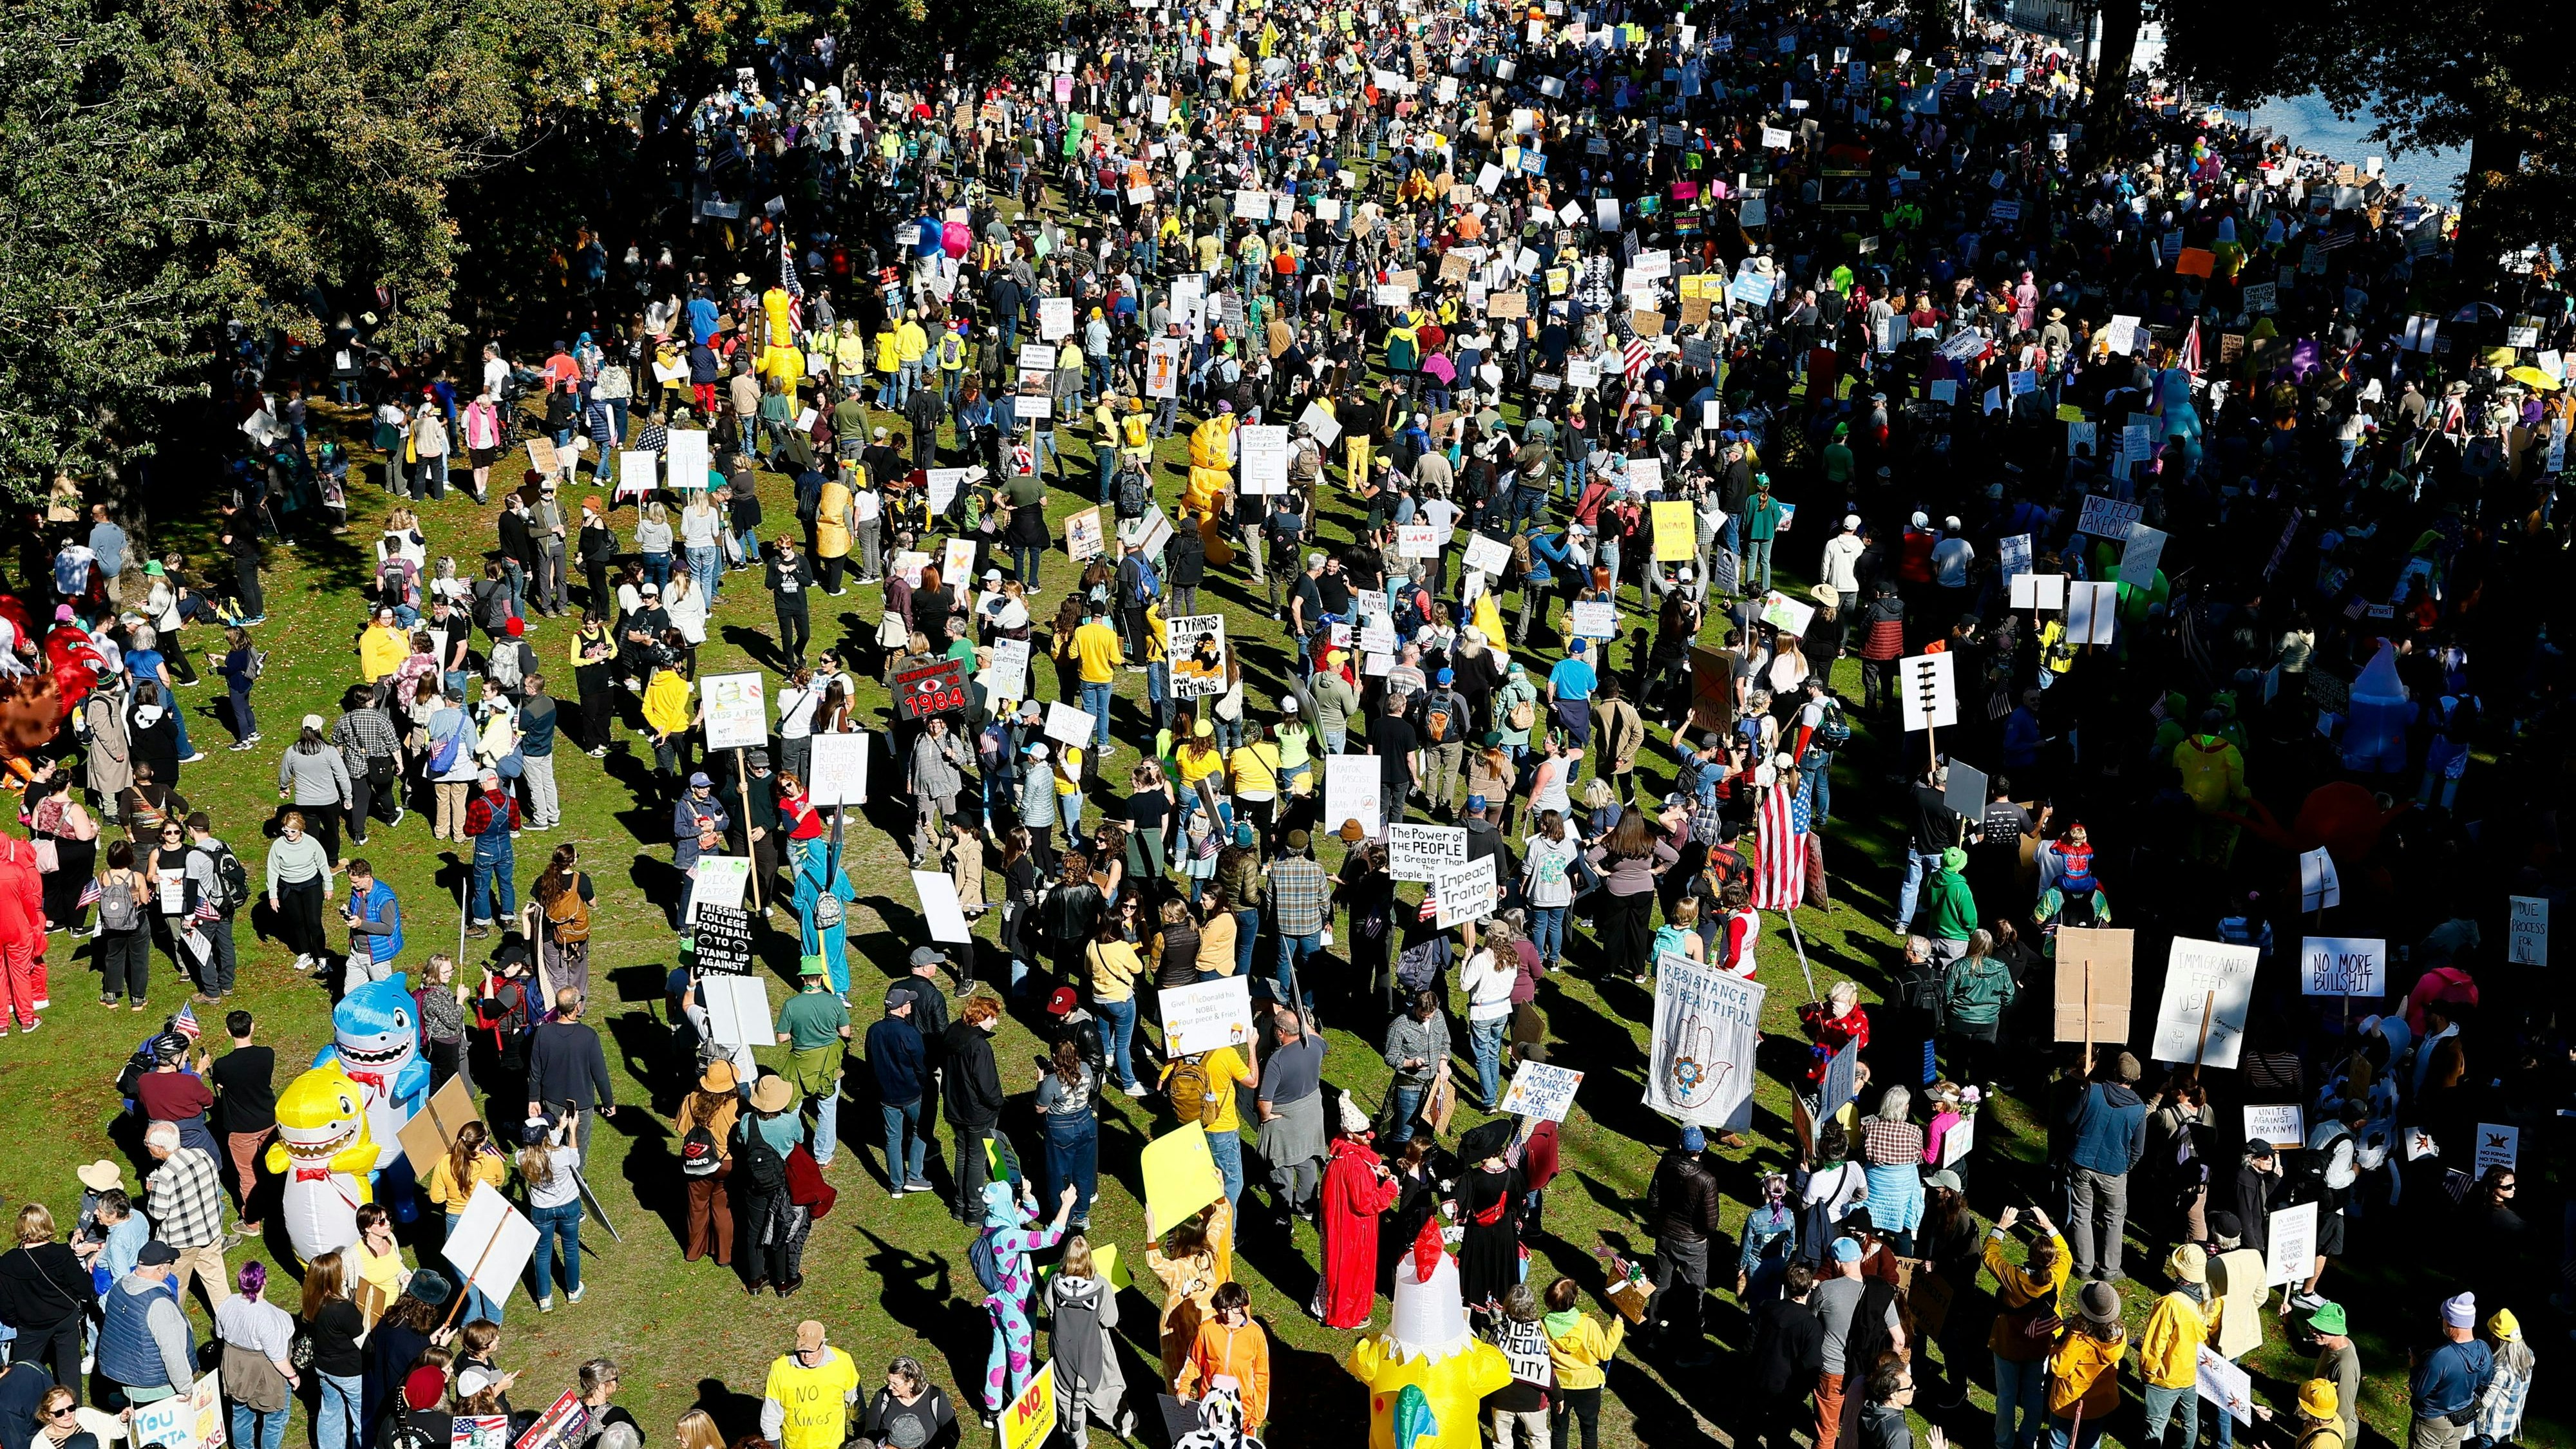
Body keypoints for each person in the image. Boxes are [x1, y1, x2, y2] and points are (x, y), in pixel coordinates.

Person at [969, 1179, 1077, 1426]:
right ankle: (1024, 1414)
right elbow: (1050, 1238)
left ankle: (992, 1409)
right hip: (1015, 1309)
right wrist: (1066, 1206)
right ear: (1007, 1203)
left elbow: (1032, 1213)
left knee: (998, 1354)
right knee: (1020, 1360)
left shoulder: (994, 1223)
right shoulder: (1009, 1236)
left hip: (997, 1304)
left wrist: (1028, 1194)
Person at [2062, 1051, 2147, 1282]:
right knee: (2114, 1218)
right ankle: (2110, 1270)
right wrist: (2126, 1167)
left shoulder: (2093, 1091)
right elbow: (2138, 1149)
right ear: (2136, 1079)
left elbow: (2070, 1119)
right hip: (2115, 1171)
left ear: (2114, 1072)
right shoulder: (2139, 1110)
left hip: (2083, 1162)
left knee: (2082, 1214)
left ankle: (2083, 1266)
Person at [1645, 1124, 1723, 1365]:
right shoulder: (1706, 1180)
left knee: (1660, 1285)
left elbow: (1653, 1198)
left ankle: (1654, 1334)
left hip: (1666, 1236)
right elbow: (1711, 1223)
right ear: (1704, 1148)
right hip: (1693, 1243)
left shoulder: (1666, 1164)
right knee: (1694, 1294)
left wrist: (1661, 1225)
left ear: (1680, 1146)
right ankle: (1690, 1352)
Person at [1046, 1235, 1130, 1446]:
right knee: (1107, 1390)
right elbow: (1110, 1320)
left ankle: (1077, 1439)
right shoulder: (1100, 1286)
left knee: (1066, 1397)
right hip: (1094, 1351)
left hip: (1063, 1353)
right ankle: (1123, 1423)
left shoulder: (1055, 1283)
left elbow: (1050, 1311)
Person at [422, 1119, 507, 1324]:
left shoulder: (444, 1163)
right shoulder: (492, 1162)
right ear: (482, 1142)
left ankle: (471, 1321)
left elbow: (436, 1198)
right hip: (487, 1217)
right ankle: (493, 1320)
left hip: (456, 1220)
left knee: (462, 1275)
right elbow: (499, 1181)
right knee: (489, 1269)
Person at [0, 1205, 88, 1402]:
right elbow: (83, 1288)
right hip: (65, 1319)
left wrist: (17, 1320)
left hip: (31, 1326)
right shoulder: (63, 1253)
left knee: (23, 1374)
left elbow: (5, 1305)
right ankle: (74, 1412)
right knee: (69, 1370)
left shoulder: (8, 1262)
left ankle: (23, 1413)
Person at [2139, 1245, 2222, 1449]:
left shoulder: (2169, 1304)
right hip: (2195, 1373)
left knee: (2155, 1425)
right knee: (2190, 1418)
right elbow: (2214, 1336)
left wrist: (2149, 1373)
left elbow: (2154, 1344)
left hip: (2166, 1377)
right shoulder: (2214, 1297)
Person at [1161, 1034, 1256, 1213]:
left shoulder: (1179, 1053)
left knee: (1204, 1178)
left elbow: (1160, 1085)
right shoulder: (1226, 1054)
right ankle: (1227, 1234)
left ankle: (1203, 1220)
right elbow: (1252, 1081)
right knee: (1232, 1182)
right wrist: (1251, 1046)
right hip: (1222, 1129)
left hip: (1192, 1127)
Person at [140, 1119, 230, 1308]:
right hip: (210, 1231)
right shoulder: (203, 1155)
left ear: (160, 1148)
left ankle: (174, 1324)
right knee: (217, 1283)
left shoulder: (164, 1178)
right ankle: (232, 1327)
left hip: (181, 1244)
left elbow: (157, 1213)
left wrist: (152, 1192)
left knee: (176, 1287)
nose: (146, 1146)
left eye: (147, 1143)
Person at [96, 1241, 196, 1407]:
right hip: (156, 1386)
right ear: (161, 1269)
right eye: (170, 1264)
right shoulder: (159, 1305)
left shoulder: (120, 1285)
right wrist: (185, 1387)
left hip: (127, 1375)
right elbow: (172, 1352)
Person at [214, 1261, 298, 1449]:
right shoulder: (272, 1317)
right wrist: (293, 1376)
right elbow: (278, 1357)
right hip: (265, 1373)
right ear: (264, 1282)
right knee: (275, 1418)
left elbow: (220, 1333)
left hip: (236, 1368)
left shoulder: (227, 1304)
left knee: (241, 1414)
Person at [775, 962, 851, 1169]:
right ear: (821, 978)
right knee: (827, 1109)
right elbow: (845, 1033)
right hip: (829, 1064)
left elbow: (782, 1037)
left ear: (802, 979)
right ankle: (823, 1156)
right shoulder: (834, 1002)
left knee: (791, 1108)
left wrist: (797, 1033)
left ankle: (788, 1150)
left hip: (801, 1064)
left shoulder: (792, 1004)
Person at [525, 987, 616, 1155]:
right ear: (576, 1008)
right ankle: (575, 1180)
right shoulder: (588, 1036)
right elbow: (600, 1074)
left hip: (552, 1100)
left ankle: (556, 1177)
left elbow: (535, 1069)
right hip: (581, 1103)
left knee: (554, 1144)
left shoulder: (543, 1033)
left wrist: (533, 1098)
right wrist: (608, 1102)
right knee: (577, 1148)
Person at [1175, 1281, 1271, 1438]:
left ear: (1242, 1305)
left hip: (1243, 1409)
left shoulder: (1256, 1334)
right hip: (1210, 1405)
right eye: (1224, 1310)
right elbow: (1194, 1360)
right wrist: (1184, 1386)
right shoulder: (1207, 1329)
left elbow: (1261, 1376)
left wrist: (1258, 1414)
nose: (1229, 1315)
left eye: (1235, 1309)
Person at [942, 995, 1006, 1223]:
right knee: (977, 1160)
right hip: (978, 1113)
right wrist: (999, 1103)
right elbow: (987, 1086)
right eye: (992, 1018)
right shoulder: (979, 1046)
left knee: (963, 1154)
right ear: (980, 1017)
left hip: (955, 1107)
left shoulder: (952, 1033)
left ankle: (960, 1205)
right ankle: (975, 1210)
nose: (995, 1023)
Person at [1747, 1262, 1824, 1449]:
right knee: (1778, 1437)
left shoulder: (1767, 1308)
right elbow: (1812, 1366)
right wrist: (1800, 1393)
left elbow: (1750, 1343)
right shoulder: (1810, 1326)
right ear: (1809, 1289)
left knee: (1747, 1431)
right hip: (1786, 1392)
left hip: (1758, 1381)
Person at [1542, 1276, 1625, 1449]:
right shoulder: (1588, 1325)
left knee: (1559, 1429)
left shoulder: (1542, 1326)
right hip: (1588, 1385)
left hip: (1559, 1385)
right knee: (1589, 1430)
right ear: (1574, 1299)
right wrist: (1617, 1326)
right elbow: (1605, 1353)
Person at [863, 988, 931, 1197]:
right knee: (922, 1130)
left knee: (893, 1139)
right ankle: (915, 1176)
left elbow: (870, 1061)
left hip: (886, 1096)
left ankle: (895, 1186)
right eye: (908, 1003)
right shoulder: (910, 1034)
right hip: (911, 1094)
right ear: (902, 1009)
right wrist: (925, 1085)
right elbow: (921, 1065)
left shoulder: (874, 1030)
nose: (911, 1005)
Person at [2410, 1293, 2497, 1449]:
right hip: (2461, 1420)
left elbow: (2419, 1391)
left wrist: (2415, 1366)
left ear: (2450, 1321)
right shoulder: (2484, 1349)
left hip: (2433, 1421)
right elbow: (2484, 1383)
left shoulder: (2442, 1356)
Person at [299, 1251, 366, 1449]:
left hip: (323, 1368)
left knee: (330, 1413)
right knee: (361, 1416)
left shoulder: (313, 1301)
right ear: (334, 1276)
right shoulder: (343, 1309)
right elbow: (365, 1343)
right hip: (349, 1372)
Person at [759, 1320, 862, 1449]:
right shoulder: (781, 1367)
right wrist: (773, 1444)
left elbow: (855, 1403)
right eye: (802, 1350)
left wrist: (860, 1431)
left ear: (823, 1344)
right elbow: (772, 1412)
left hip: (834, 1446)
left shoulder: (842, 1362)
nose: (806, 1356)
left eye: (811, 1351)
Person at [517, 1114, 583, 1311]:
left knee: (543, 1253)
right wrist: (571, 1131)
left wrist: (559, 1129)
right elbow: (575, 1160)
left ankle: (544, 1298)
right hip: (568, 1206)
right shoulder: (561, 1154)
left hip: (541, 1211)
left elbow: (541, 1148)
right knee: (570, 1247)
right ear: (546, 1136)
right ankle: (573, 1290)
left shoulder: (522, 1159)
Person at [1035, 1037, 1099, 1230]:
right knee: (1084, 1170)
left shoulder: (1051, 1082)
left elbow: (1040, 1108)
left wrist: (1040, 1079)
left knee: (1060, 1173)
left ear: (1055, 1058)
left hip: (1061, 1130)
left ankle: (1063, 1216)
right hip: (1086, 1122)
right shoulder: (1087, 1069)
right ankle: (1081, 1213)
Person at [263, 810, 334, 972]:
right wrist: (273, 895)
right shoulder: (278, 846)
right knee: (298, 922)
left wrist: (328, 886)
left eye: (293, 831)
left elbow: (323, 864)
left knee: (314, 923)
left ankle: (321, 956)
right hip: (289, 888)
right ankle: (305, 953)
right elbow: (273, 870)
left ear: (301, 829)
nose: (289, 834)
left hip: (311, 886)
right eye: (286, 830)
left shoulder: (311, 843)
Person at [853, 1358, 956, 1449]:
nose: (890, 1387)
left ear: (912, 1382)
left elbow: (953, 1434)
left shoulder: (935, 1397)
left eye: (895, 1384)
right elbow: (870, 1434)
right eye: (889, 1382)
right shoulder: (883, 1396)